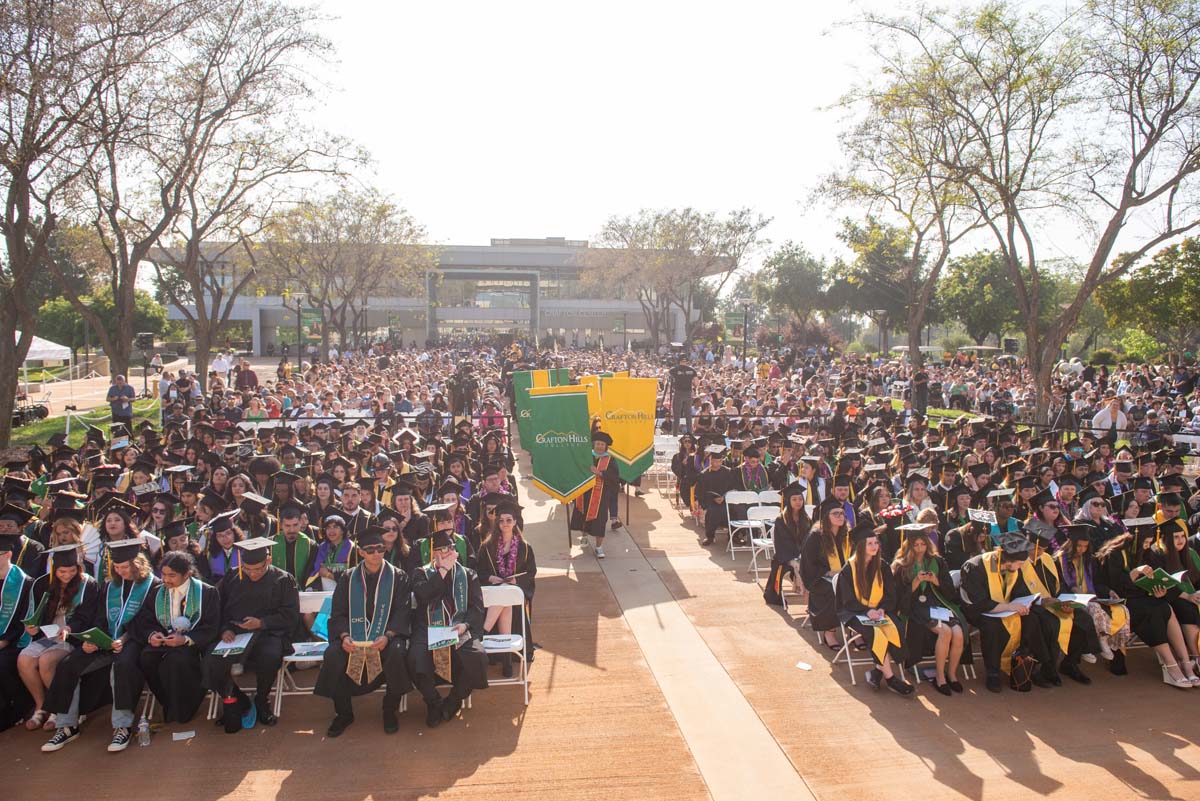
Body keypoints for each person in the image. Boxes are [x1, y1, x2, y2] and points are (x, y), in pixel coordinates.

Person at [40, 538, 158, 753]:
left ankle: (122, 726)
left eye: (125, 567)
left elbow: (147, 621)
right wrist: (92, 640)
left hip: (135, 641)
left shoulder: (153, 584)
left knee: (122, 665)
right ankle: (67, 726)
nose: (121, 571)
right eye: (117, 567)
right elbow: (100, 618)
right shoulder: (110, 586)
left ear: (137, 563)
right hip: (107, 640)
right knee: (69, 664)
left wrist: (123, 639)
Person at [315, 525, 413, 737]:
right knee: (333, 654)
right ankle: (343, 713)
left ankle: (389, 710)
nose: (376, 554)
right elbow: (338, 613)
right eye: (370, 550)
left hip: (386, 637)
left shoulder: (398, 577)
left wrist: (388, 635)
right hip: (353, 638)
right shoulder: (348, 578)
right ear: (360, 552)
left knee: (396, 653)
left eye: (380, 548)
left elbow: (403, 612)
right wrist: (344, 636)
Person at [203, 537, 300, 733]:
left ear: (268, 561)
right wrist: (224, 629)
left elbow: (290, 615)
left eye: (258, 569)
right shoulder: (232, 577)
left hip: (268, 633)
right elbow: (217, 609)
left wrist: (262, 623)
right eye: (248, 569)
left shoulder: (283, 579)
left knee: (270, 656)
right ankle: (237, 700)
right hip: (235, 634)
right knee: (211, 661)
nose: (252, 573)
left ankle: (262, 700)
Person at [407, 529, 488, 728]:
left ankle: (453, 701)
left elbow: (477, 608)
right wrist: (442, 571)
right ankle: (433, 702)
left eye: (450, 548)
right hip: (427, 629)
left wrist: (465, 625)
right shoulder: (421, 573)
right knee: (415, 657)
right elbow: (423, 596)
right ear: (433, 553)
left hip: (458, 628)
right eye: (441, 549)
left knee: (477, 657)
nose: (447, 553)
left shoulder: (468, 574)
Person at [128, 550, 221, 723]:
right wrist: (152, 635)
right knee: (147, 657)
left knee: (178, 659)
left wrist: (186, 639)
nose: (166, 580)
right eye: (163, 574)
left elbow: (211, 627)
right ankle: (168, 703)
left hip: (192, 645)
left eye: (172, 575)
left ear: (187, 574)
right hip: (165, 641)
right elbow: (146, 620)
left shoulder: (206, 592)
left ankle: (183, 709)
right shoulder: (157, 592)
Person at [16, 543, 101, 732]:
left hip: (72, 638)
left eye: (72, 570)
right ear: (54, 568)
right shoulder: (42, 583)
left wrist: (69, 629)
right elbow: (35, 613)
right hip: (47, 635)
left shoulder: (88, 584)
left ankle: (57, 709)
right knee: (24, 659)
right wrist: (32, 627)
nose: (67, 575)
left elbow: (86, 616)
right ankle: (41, 706)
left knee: (47, 661)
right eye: (62, 571)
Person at [834, 521, 914, 696]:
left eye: (876, 543)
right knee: (874, 632)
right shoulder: (849, 569)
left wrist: (882, 609)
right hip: (854, 612)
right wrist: (866, 611)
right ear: (861, 546)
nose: (874, 546)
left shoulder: (882, 566)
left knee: (897, 627)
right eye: (869, 543)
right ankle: (892, 679)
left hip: (879, 611)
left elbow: (890, 594)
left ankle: (877, 672)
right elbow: (846, 599)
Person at [891, 528, 966, 695]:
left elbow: (950, 592)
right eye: (916, 545)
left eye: (923, 544)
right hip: (916, 607)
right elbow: (899, 597)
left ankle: (952, 675)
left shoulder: (938, 562)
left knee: (959, 632)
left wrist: (936, 580)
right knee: (945, 631)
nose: (920, 548)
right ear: (908, 546)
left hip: (937, 603)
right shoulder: (901, 566)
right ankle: (940, 678)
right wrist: (916, 582)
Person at [476, 499, 536, 677]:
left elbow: (531, 572)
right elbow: (479, 571)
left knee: (508, 598)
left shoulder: (525, 548)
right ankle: (507, 658)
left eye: (509, 520)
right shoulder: (487, 546)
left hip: (514, 592)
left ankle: (483, 631)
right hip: (494, 593)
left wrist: (516, 581)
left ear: (515, 521)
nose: (505, 524)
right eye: (501, 520)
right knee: (505, 600)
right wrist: (489, 577)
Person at [801, 498, 852, 649]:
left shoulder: (848, 536)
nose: (840, 516)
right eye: (835, 513)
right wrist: (828, 572)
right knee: (834, 591)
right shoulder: (815, 537)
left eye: (842, 513)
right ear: (826, 518)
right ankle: (829, 632)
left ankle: (855, 632)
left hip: (845, 577)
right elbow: (808, 565)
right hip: (821, 579)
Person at [0, 530, 34, 731]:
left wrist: (4, 640)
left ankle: (17, 709)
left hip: (15, 640)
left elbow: (24, 617)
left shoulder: (24, 583)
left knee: (2, 663)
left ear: (8, 555)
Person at [571, 430, 621, 557]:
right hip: (584, 493)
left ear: (606, 446)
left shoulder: (610, 460)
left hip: (601, 496)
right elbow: (577, 470)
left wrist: (600, 473)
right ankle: (584, 537)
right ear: (593, 444)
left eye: (602, 444)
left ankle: (599, 547)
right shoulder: (586, 457)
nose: (599, 446)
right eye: (597, 443)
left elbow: (615, 478)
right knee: (583, 515)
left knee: (600, 521)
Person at [763, 483, 810, 606]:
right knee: (798, 565)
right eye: (794, 499)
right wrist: (794, 558)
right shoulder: (781, 520)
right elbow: (782, 544)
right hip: (785, 557)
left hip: (802, 555)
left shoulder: (806, 519)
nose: (798, 502)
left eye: (800, 499)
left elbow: (808, 540)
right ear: (788, 501)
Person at [667, 354, 697, 434]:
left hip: (678, 393)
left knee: (677, 415)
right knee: (688, 415)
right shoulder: (692, 370)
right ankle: (690, 433)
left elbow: (668, 376)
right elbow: (696, 382)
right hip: (688, 393)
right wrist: (693, 388)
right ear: (687, 361)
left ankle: (675, 434)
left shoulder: (674, 369)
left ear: (679, 361)